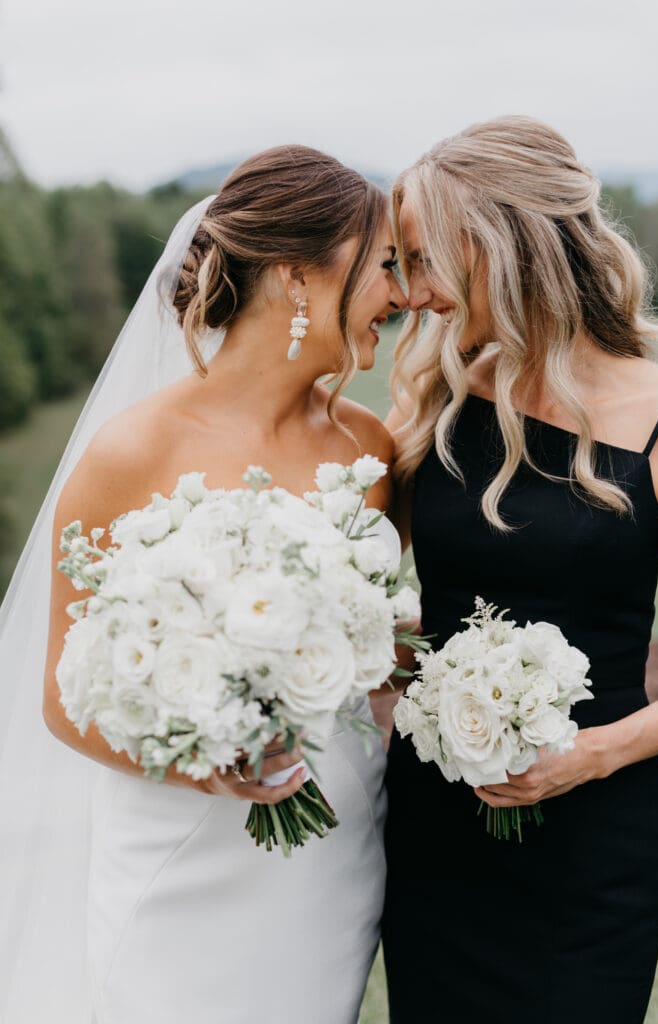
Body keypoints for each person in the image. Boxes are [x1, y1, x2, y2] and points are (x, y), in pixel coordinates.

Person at [0, 145, 407, 1024]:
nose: (403, 295)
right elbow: (63, 701)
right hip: (176, 854)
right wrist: (204, 765)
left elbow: (381, 654)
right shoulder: (132, 450)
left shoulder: (372, 452)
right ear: (300, 276)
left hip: (329, 854)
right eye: (384, 266)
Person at [381, 116, 658, 1024]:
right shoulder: (441, 399)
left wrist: (591, 756)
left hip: (594, 846)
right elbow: (358, 582)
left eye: (425, 259)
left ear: (505, 246)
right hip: (436, 830)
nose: (415, 294)